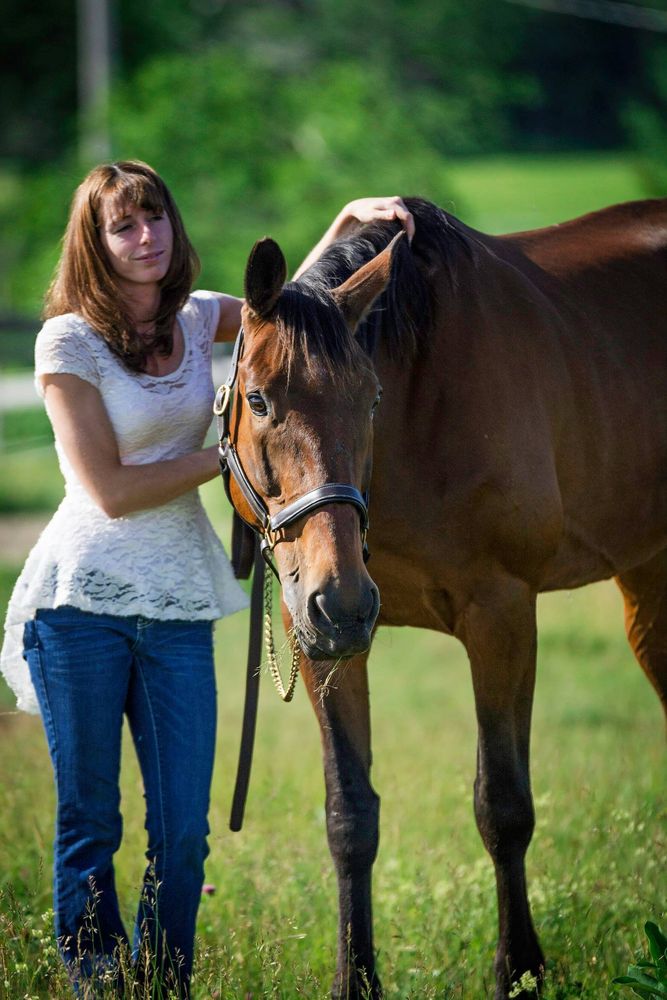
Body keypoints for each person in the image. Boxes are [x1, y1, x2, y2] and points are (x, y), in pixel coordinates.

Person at [0, 159, 414, 998]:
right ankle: (95, 981)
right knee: (91, 821)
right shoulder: (66, 341)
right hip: (80, 602)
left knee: (184, 832)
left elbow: (292, 309)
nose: (144, 237)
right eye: (124, 225)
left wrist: (339, 227)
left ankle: (164, 981)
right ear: (96, 241)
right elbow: (109, 490)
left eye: (154, 218)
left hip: (182, 601)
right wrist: (230, 453)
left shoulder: (199, 317)